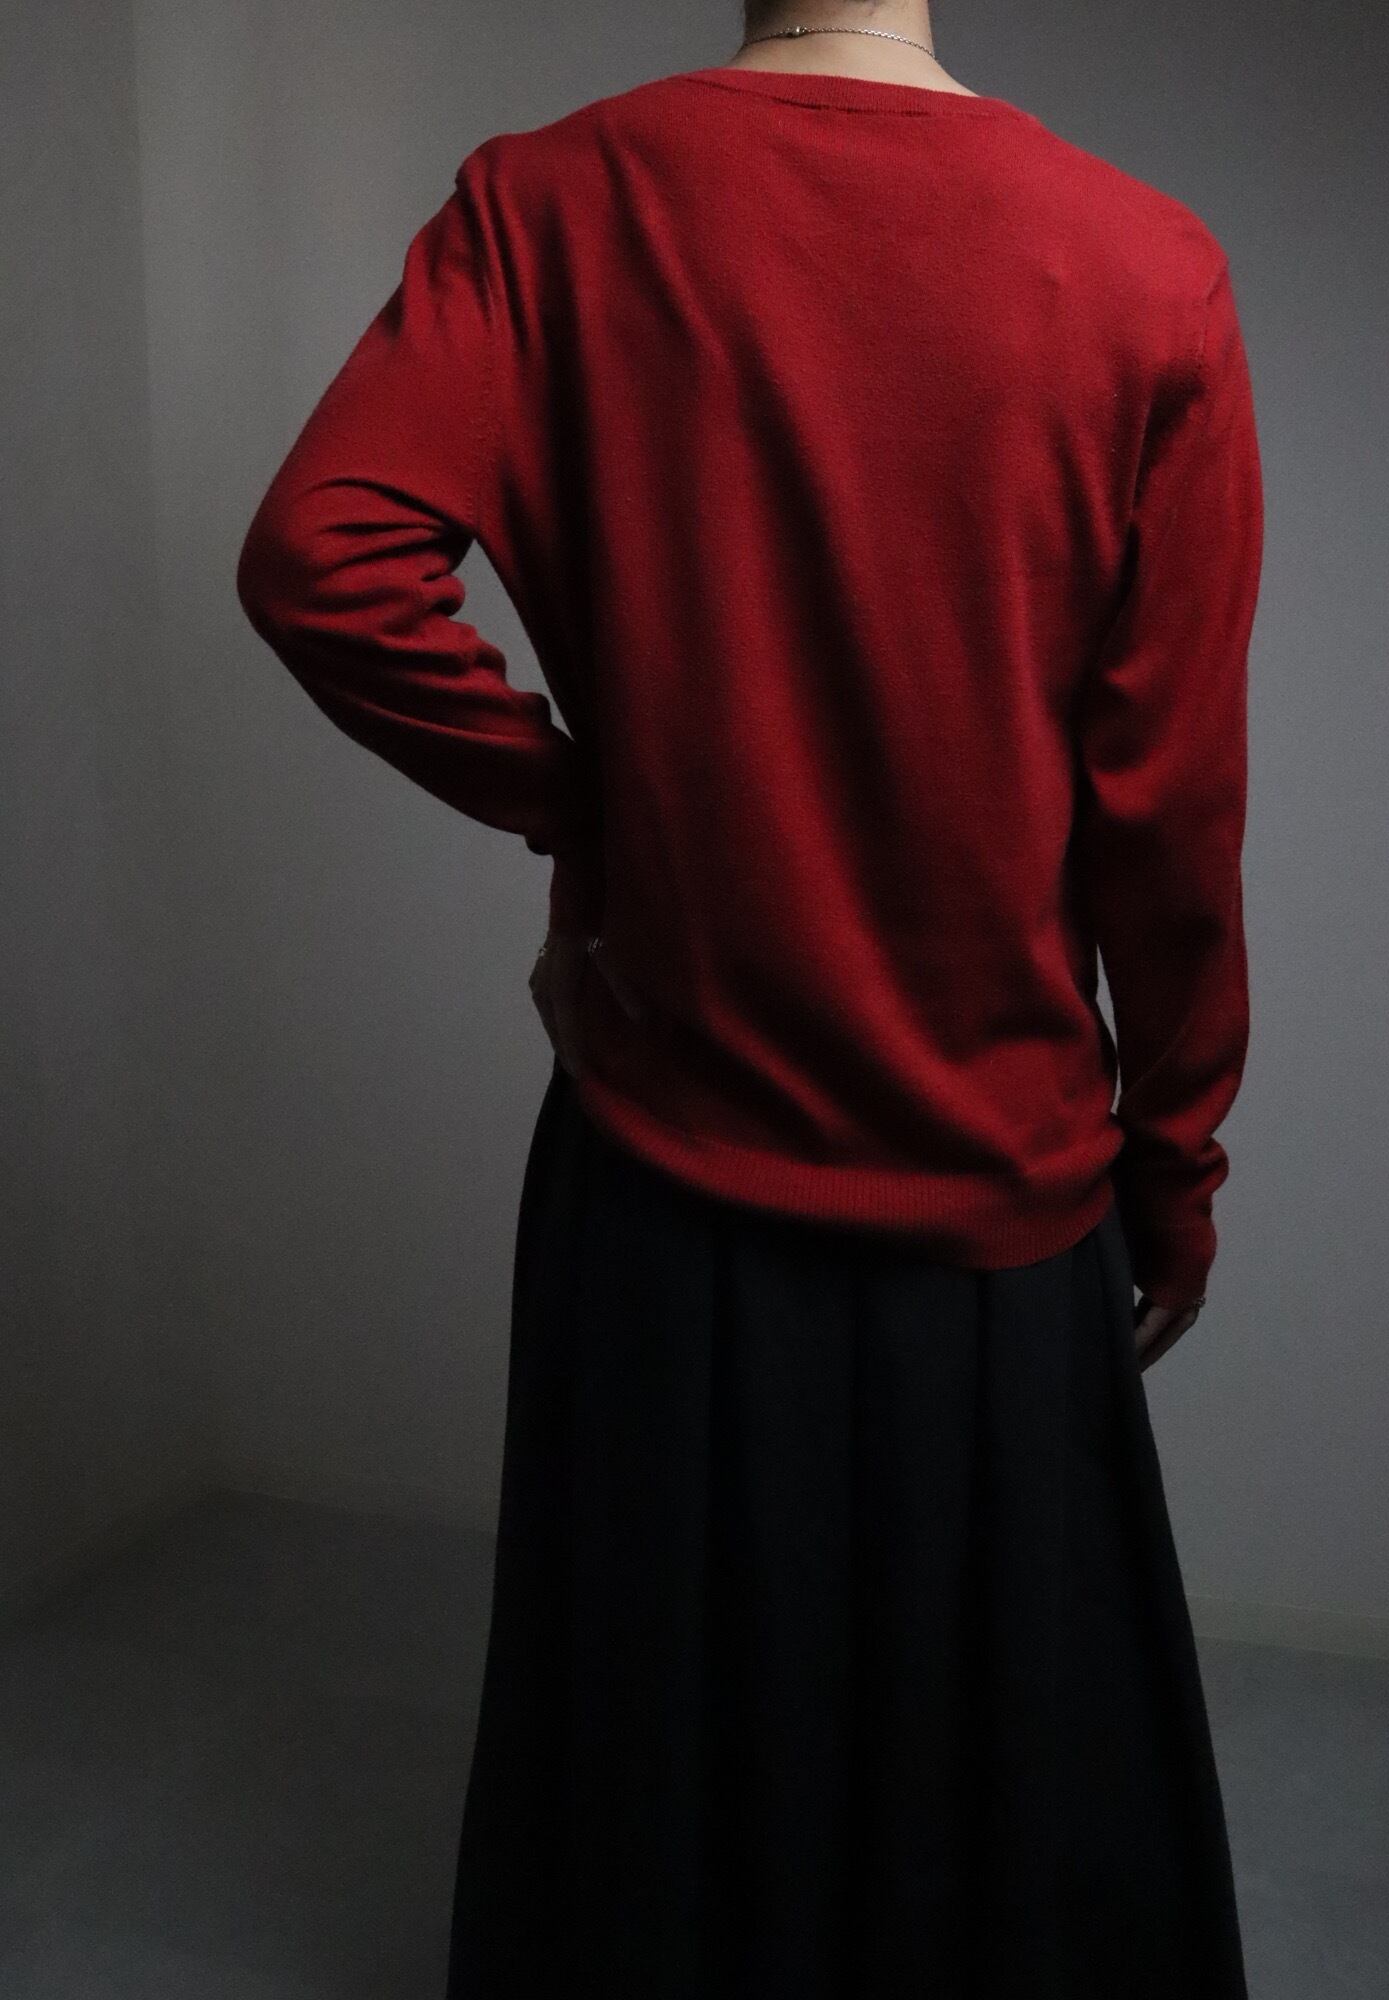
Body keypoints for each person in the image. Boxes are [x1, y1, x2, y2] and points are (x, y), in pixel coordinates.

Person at [235, 2, 1265, 1993]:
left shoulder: (550, 204)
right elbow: (1171, 815)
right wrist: (1177, 1162)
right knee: (1000, 1818)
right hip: (998, 1198)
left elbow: (318, 558)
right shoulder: (1146, 266)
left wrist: (589, 805)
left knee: (660, 1797)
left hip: (660, 1175)